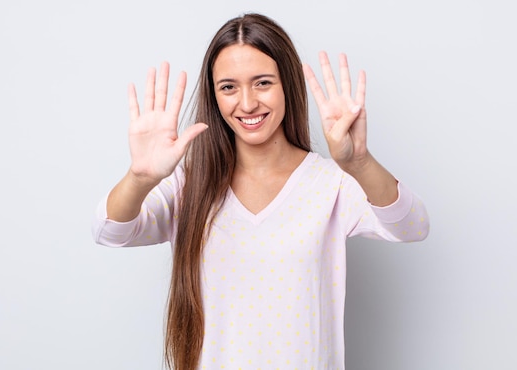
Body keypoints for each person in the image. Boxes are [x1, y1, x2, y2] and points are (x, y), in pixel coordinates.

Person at [92, 12, 429, 370]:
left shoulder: (331, 182)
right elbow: (111, 230)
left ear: (287, 85)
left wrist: (359, 162)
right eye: (229, 87)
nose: (248, 103)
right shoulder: (190, 186)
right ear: (215, 96)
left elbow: (412, 226)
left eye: (263, 82)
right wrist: (140, 177)